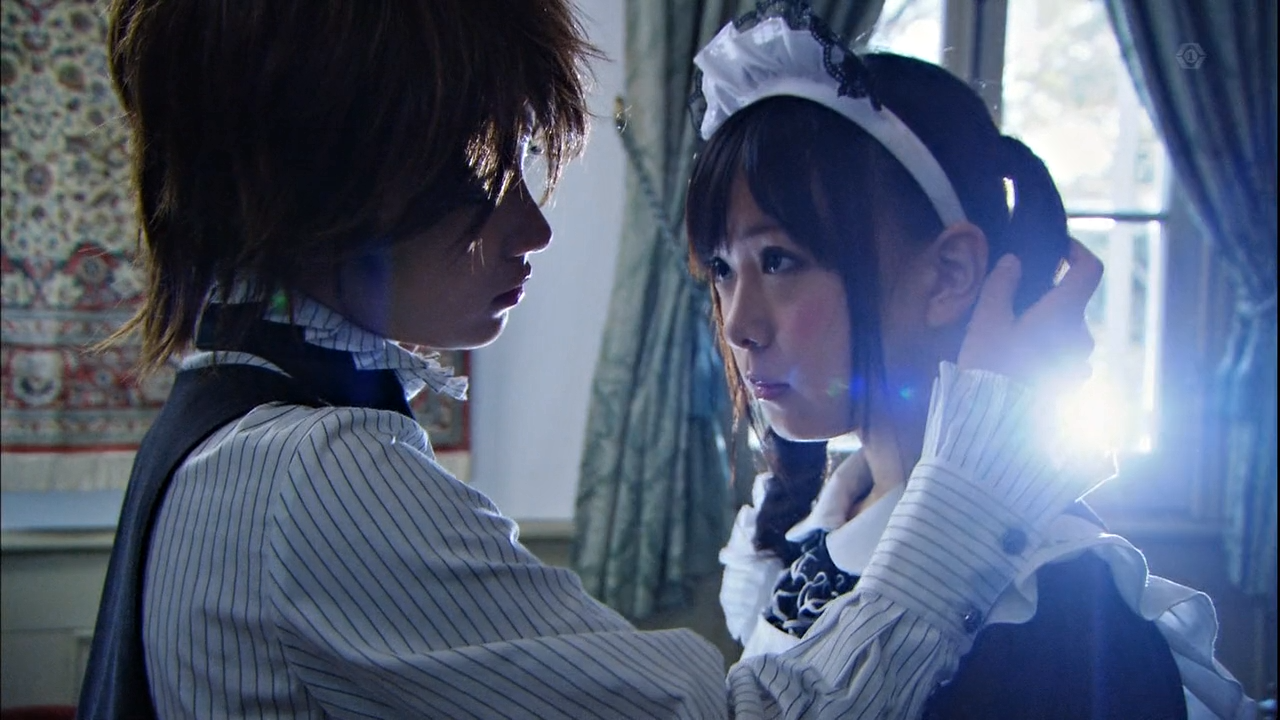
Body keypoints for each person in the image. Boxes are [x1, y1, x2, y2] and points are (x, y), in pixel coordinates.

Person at [81, 0, 1119, 718]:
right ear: (343, 172)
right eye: (483, 175)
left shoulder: (230, 419)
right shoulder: (311, 474)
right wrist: (979, 465)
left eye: (782, 259)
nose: (532, 228)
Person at [687, 3, 1257, 719]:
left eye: (778, 260)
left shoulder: (1050, 600)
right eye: (722, 268)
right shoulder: (813, 521)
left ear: (949, 274)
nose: (738, 325)